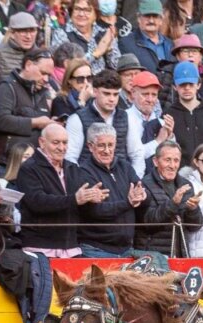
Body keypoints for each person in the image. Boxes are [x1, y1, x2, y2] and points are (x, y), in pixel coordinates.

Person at [14, 122, 105, 256]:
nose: (61, 148)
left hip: (71, 247)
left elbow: (80, 206)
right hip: (39, 247)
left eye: (65, 143)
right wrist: (75, 199)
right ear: (42, 142)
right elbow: (37, 202)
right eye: (56, 143)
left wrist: (91, 199)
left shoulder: (73, 168)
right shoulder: (28, 168)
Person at [75, 122, 148, 258]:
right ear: (90, 146)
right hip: (96, 250)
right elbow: (96, 211)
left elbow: (141, 189)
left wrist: (142, 195)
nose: (107, 150)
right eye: (102, 145)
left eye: (111, 145)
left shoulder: (124, 166)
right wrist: (128, 203)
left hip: (126, 249)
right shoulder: (83, 172)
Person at [136, 141, 203, 256]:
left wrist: (193, 210)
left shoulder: (186, 185)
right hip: (153, 256)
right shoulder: (144, 185)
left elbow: (195, 227)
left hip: (180, 254)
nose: (172, 166)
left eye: (176, 160)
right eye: (167, 160)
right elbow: (148, 223)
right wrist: (173, 203)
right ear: (155, 161)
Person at [0, 49, 55, 153]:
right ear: (28, 65)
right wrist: (35, 122)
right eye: (43, 73)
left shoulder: (42, 92)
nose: (46, 79)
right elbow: (0, 120)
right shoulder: (6, 87)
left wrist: (51, 123)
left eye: (49, 75)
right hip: (9, 161)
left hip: (34, 161)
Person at [66, 68, 130, 166]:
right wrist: (82, 180)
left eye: (115, 94)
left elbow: (137, 154)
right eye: (107, 93)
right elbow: (70, 157)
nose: (112, 99)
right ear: (95, 92)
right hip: (89, 178)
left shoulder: (126, 117)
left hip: (121, 178)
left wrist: (134, 178)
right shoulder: (77, 119)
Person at [118, 0, 172, 75]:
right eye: (147, 16)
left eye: (155, 16)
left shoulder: (170, 44)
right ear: (138, 18)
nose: (151, 20)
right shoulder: (126, 44)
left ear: (161, 20)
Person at [0, 11, 38, 81]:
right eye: (23, 31)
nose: (28, 36)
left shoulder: (40, 54)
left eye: (32, 31)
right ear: (12, 33)